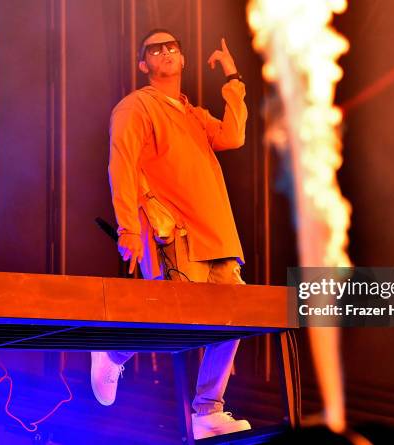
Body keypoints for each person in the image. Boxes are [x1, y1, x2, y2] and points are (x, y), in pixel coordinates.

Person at [90, 28, 250, 440]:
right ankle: (113, 351)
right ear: (144, 64)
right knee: (175, 321)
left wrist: (233, 81)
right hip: (176, 235)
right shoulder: (135, 108)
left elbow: (233, 136)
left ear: (182, 59)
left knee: (233, 321)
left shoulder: (192, 112)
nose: (166, 52)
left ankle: (208, 410)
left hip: (219, 236)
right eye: (155, 49)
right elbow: (121, 167)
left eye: (172, 47)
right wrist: (127, 227)